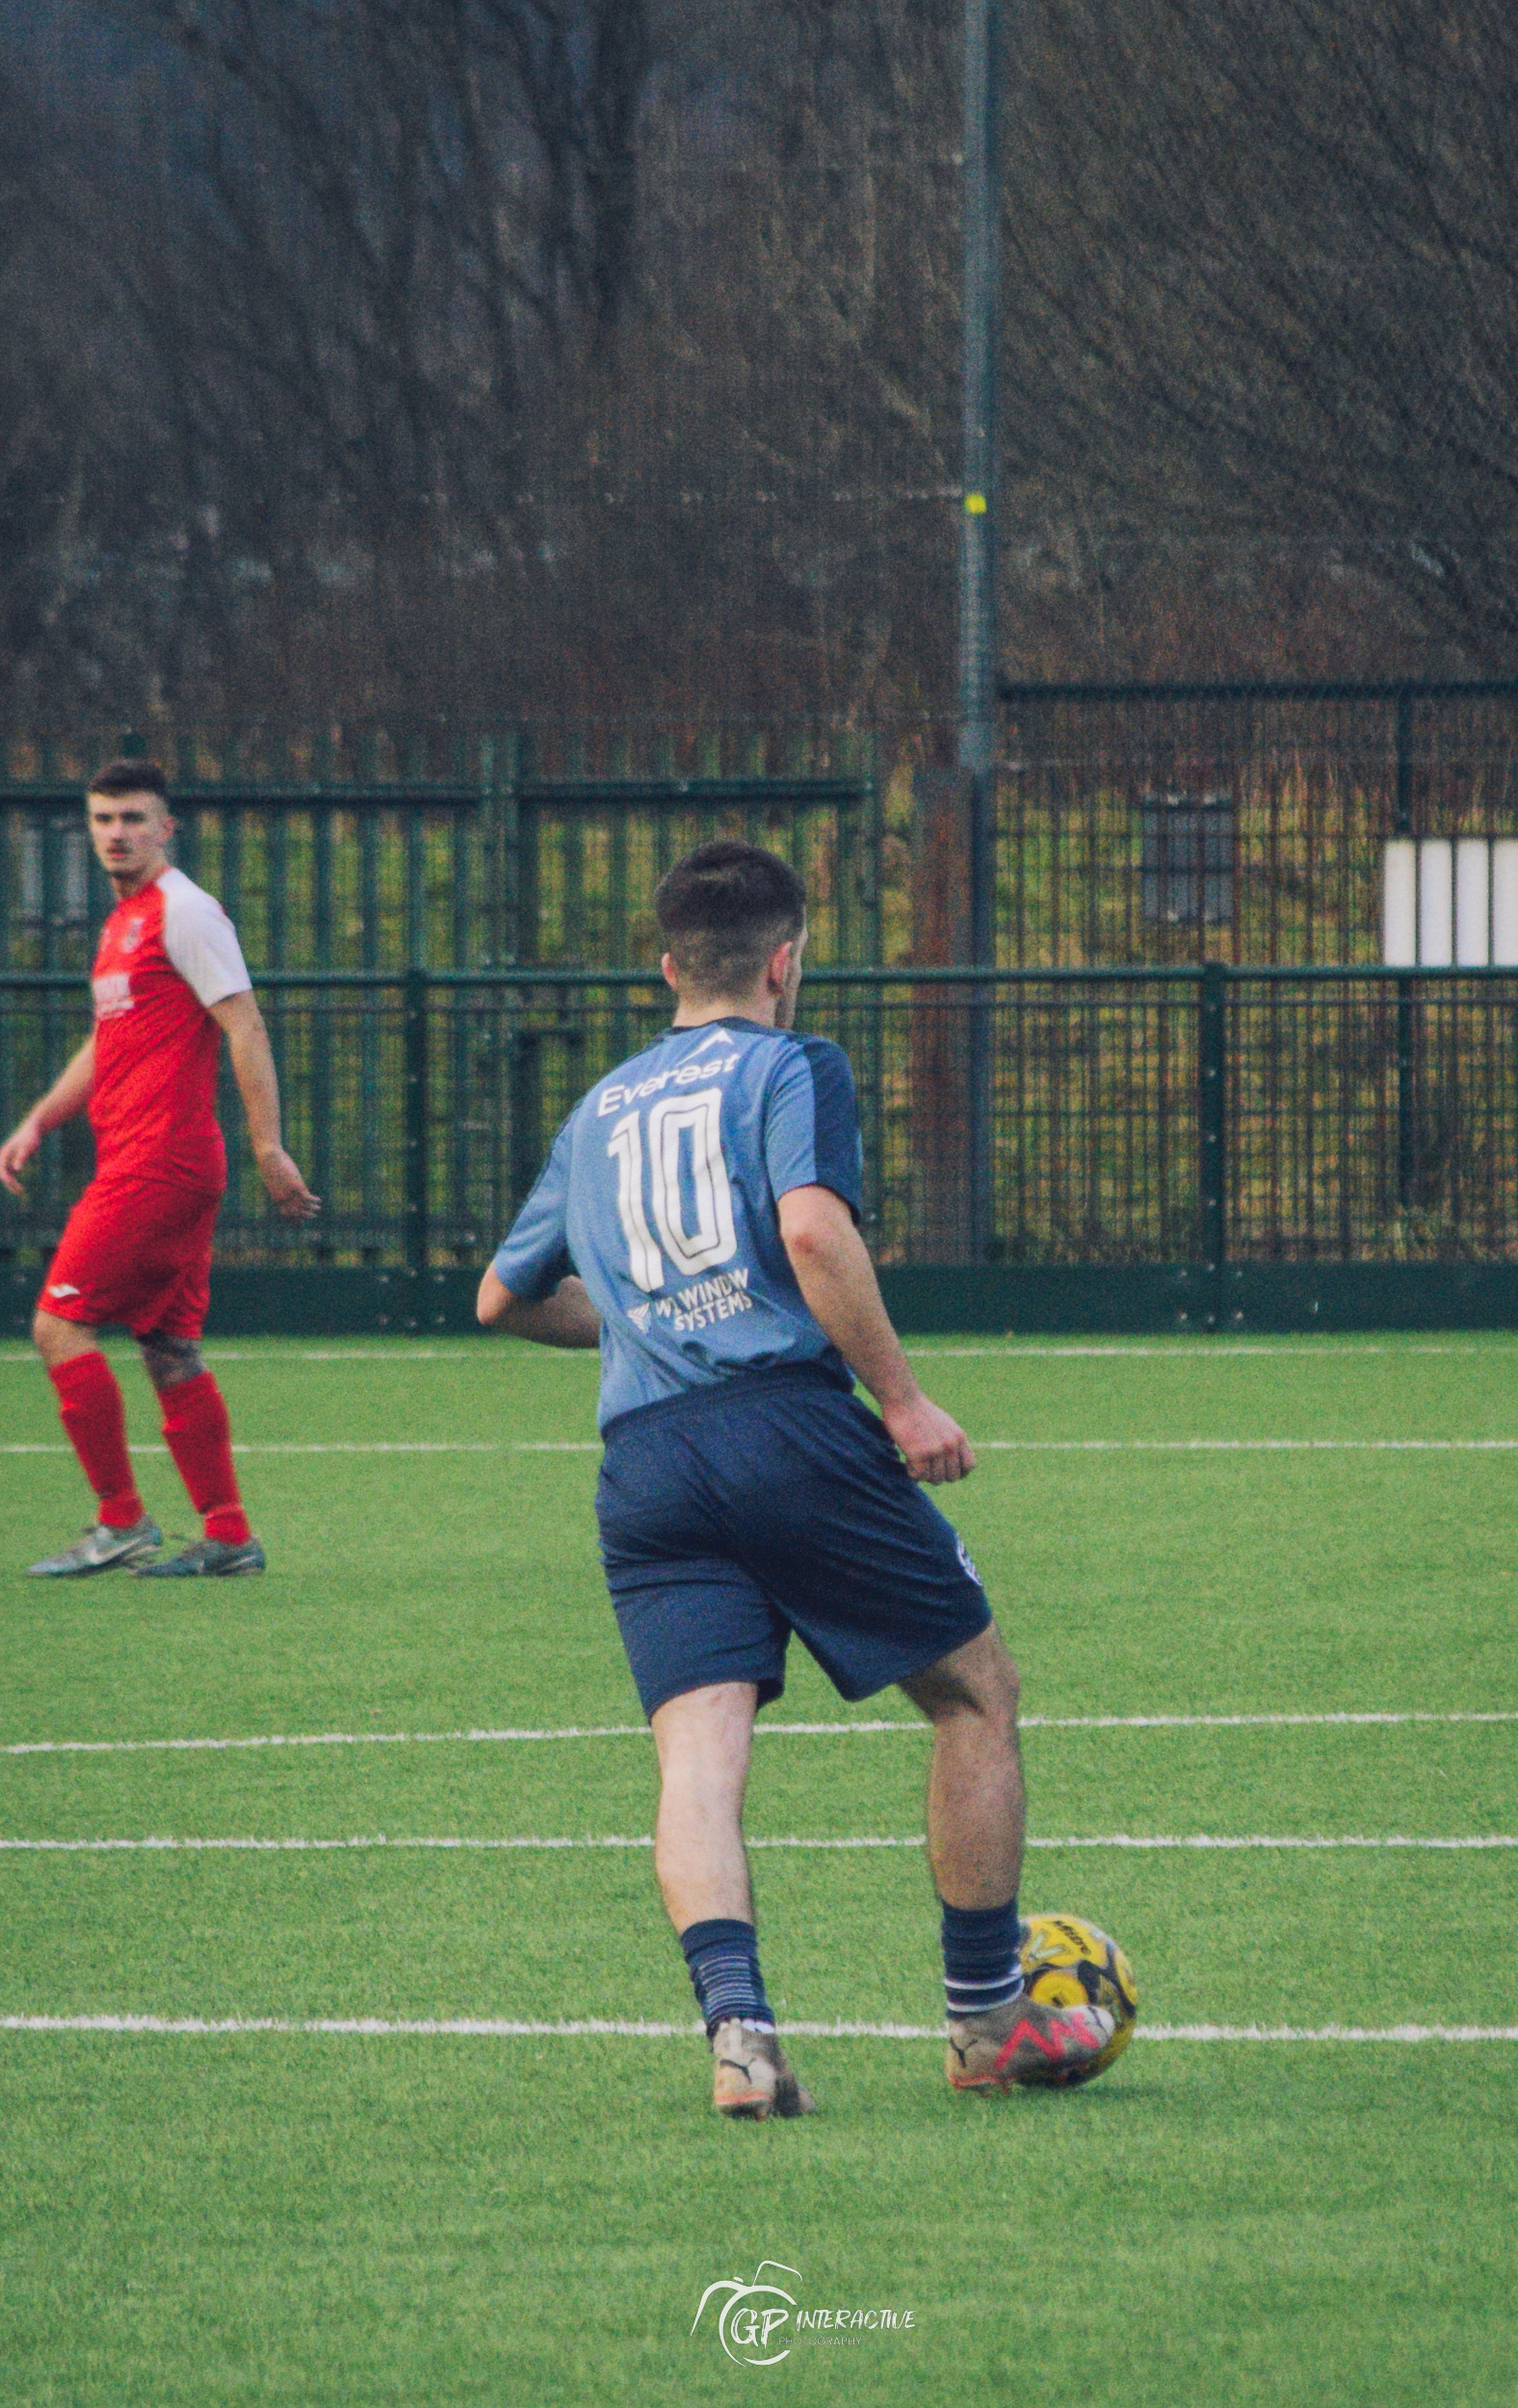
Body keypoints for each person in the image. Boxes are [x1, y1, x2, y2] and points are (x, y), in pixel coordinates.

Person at [478, 840, 1112, 2115]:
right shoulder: (791, 1064)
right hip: (785, 1429)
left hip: (645, 1463)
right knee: (974, 1694)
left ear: (667, 967)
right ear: (785, 963)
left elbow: (501, 1299)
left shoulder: (596, 1108)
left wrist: (646, 1317)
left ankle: (739, 2039)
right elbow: (811, 1229)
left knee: (699, 1763)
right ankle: (988, 2023)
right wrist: (901, 1398)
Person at [0, 759, 320, 1576]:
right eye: (103, 820)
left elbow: (244, 1025)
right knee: (169, 1344)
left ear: (165, 827)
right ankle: (226, 1532)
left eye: (133, 819)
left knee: (57, 1325)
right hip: (153, 1159)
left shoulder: (185, 912)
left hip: (160, 1162)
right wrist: (40, 1117)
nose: (117, 833)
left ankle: (121, 1521)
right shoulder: (121, 923)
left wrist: (268, 1145)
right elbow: (107, 1042)